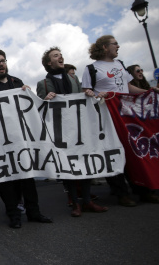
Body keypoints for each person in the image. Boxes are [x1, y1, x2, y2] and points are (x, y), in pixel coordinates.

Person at [0, 50, 53, 228]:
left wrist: (28, 93)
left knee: (28, 177)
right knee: (6, 180)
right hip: (1, 142)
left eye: (3, 61)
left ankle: (34, 212)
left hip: (21, 139)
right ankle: (13, 214)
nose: (1, 64)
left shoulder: (17, 83)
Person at [81, 35, 159, 206]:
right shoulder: (91, 69)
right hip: (109, 116)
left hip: (128, 114)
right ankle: (121, 193)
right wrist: (95, 94)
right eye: (114, 44)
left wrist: (148, 92)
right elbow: (86, 91)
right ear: (104, 47)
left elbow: (129, 88)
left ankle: (143, 191)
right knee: (115, 152)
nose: (118, 46)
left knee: (135, 150)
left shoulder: (121, 65)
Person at [36, 47, 108, 217]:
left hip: (79, 129)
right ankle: (76, 202)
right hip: (60, 133)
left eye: (60, 54)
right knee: (67, 167)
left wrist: (89, 93)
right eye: (55, 55)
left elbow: (83, 98)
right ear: (49, 62)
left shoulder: (74, 79)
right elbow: (39, 109)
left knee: (85, 162)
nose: (60, 56)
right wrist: (45, 100)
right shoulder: (43, 84)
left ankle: (87, 200)